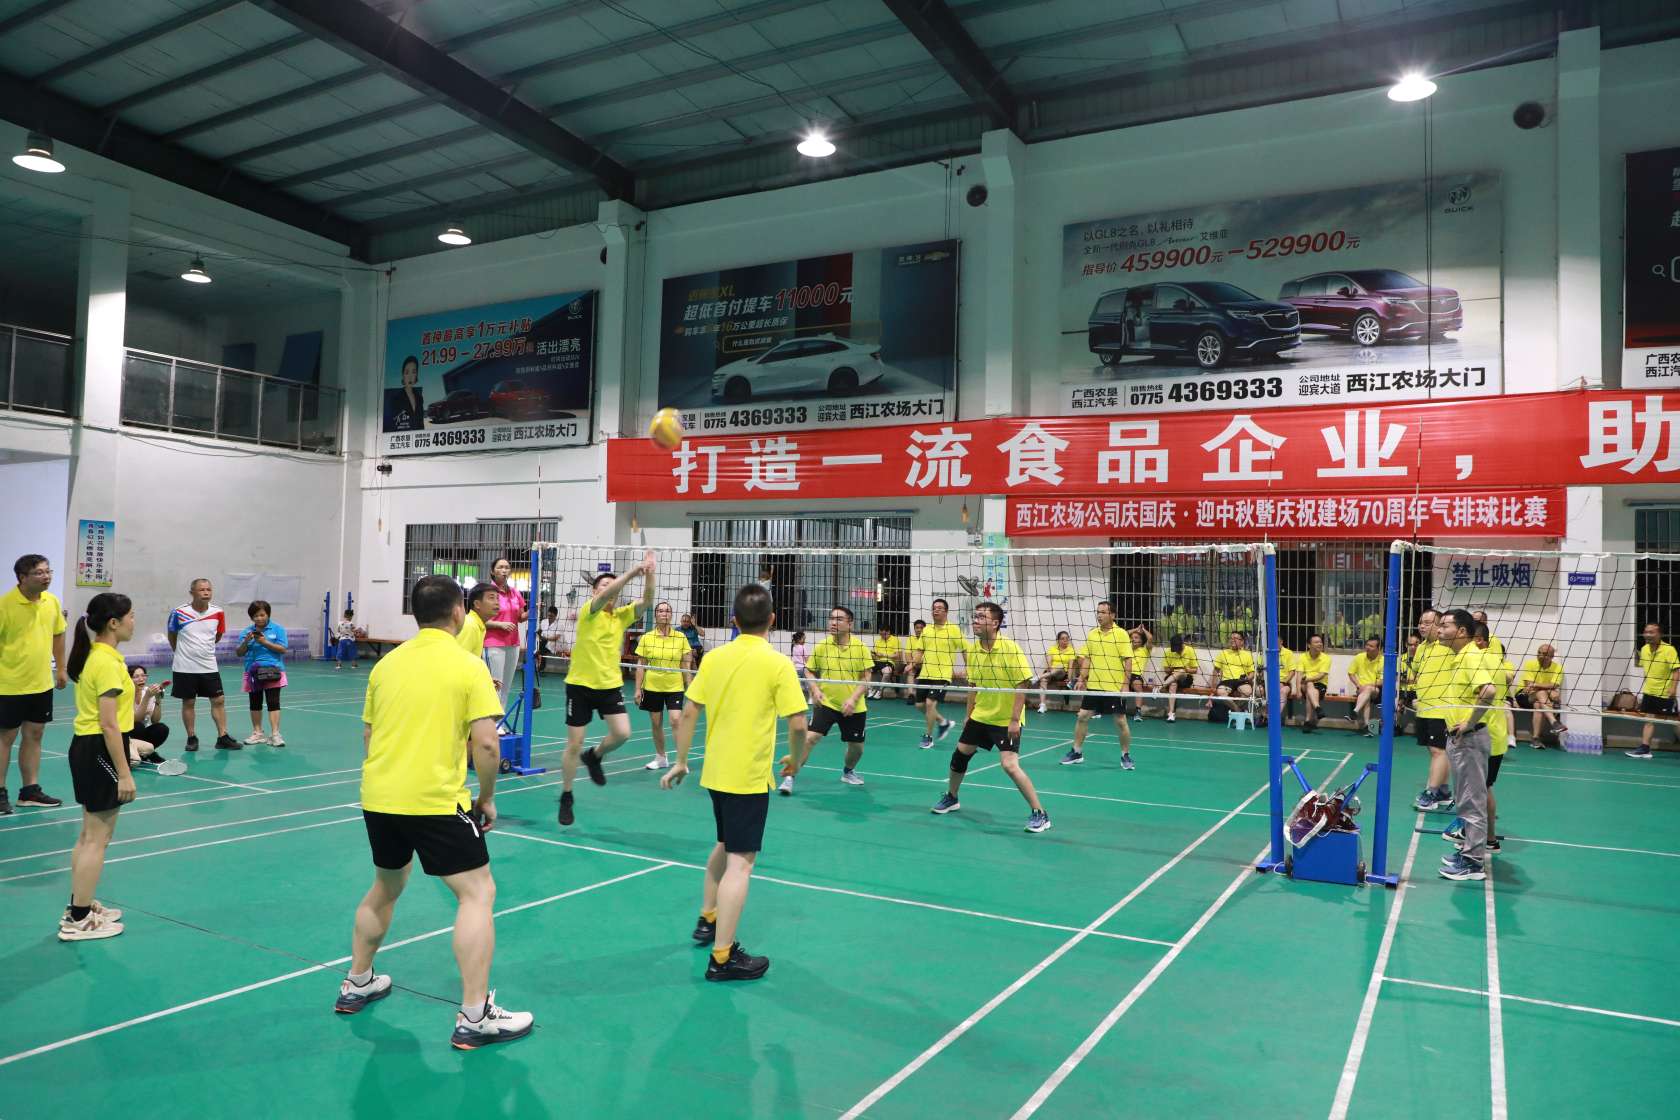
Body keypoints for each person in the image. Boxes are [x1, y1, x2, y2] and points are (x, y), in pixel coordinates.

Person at [336, 575, 532, 1048]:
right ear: (459, 611)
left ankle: (357, 982)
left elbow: (369, 734)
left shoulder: (386, 665)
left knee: (387, 884)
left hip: (379, 796)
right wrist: (487, 797)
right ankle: (475, 1016)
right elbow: (487, 744)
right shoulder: (468, 666)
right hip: (435, 800)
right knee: (477, 893)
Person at [660, 582, 807, 982]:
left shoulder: (714, 658)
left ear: (734, 620)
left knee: (725, 845)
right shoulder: (778, 664)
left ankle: (708, 918)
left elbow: (690, 710)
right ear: (772, 620)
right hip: (748, 776)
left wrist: (681, 761)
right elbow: (798, 723)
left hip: (716, 772)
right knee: (741, 863)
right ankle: (723, 957)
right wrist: (795, 760)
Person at [930, 602, 1050, 834]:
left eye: (981, 617)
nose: (975, 620)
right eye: (975, 616)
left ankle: (1040, 813)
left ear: (995, 623)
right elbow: (973, 685)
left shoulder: (1010, 649)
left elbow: (1022, 685)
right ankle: (952, 797)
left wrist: (1014, 720)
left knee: (1009, 765)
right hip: (981, 715)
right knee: (960, 755)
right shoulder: (974, 650)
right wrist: (968, 715)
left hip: (1005, 719)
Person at [59, 592, 138, 941]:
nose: (134, 621)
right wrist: (124, 772)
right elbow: (108, 724)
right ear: (114, 623)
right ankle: (78, 920)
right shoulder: (105, 662)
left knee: (89, 836)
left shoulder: (102, 656)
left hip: (89, 748)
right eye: (130, 616)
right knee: (97, 839)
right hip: (99, 749)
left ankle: (80, 905)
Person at [559, 551, 655, 827]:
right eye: (603, 585)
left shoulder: (621, 616)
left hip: (609, 685)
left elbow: (648, 600)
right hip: (579, 686)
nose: (609, 590)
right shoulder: (589, 611)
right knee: (574, 744)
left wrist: (649, 573)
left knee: (622, 733)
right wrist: (632, 572)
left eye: (612, 587)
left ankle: (595, 756)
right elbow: (607, 594)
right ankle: (567, 795)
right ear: (594, 592)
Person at [0, 554, 67, 814]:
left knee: (35, 735)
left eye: (48, 571)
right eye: (39, 573)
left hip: (41, 683)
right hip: (9, 685)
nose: (46, 577)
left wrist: (61, 668)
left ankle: (29, 791)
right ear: (22, 578)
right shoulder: (5, 605)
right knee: (5, 738)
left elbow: (58, 634)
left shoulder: (51, 601)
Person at [1436, 609, 1498, 882]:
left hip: (1469, 740)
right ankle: (1468, 852)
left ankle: (1473, 863)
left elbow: (1489, 691)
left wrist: (1469, 722)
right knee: (1466, 800)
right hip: (1460, 740)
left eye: (1444, 625)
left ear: (1461, 631)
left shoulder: (1470, 656)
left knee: (1472, 802)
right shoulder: (1459, 657)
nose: (1439, 630)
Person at [784, 605, 873, 793]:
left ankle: (848, 772)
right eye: (831, 618)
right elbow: (808, 670)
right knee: (810, 738)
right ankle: (790, 777)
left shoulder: (860, 648)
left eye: (839, 619)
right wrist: (815, 689)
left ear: (850, 624)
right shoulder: (822, 646)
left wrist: (853, 699)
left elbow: (866, 678)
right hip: (826, 703)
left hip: (854, 707)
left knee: (857, 748)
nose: (833, 622)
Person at [168, 578, 239, 753]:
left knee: (218, 700)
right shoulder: (179, 612)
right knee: (189, 702)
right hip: (184, 666)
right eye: (202, 590)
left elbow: (218, 635)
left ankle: (222, 737)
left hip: (208, 665)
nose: (206, 592)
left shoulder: (218, 612)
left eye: (209, 589)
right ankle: (192, 737)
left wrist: (204, 649)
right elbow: (172, 634)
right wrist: (180, 652)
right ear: (192, 592)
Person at [1063, 600, 1135, 769]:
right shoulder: (1092, 634)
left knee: (1120, 721)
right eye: (1098, 612)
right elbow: (1087, 659)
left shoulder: (1121, 634)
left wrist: (1126, 684)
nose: (1099, 615)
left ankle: (1125, 755)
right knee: (1082, 716)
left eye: (1103, 612)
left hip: (1114, 686)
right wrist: (1081, 679)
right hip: (1094, 685)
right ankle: (1077, 752)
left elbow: (1128, 660)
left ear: (1112, 615)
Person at [634, 601, 691, 772]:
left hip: (674, 686)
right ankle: (661, 758)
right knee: (656, 722)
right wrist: (638, 689)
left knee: (675, 720)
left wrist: (690, 685)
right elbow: (641, 665)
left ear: (671, 615)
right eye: (660, 611)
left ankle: (681, 761)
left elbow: (686, 664)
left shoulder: (680, 637)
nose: (664, 613)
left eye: (667, 611)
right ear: (656, 615)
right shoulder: (647, 638)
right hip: (652, 686)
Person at [1411, 609, 1457, 811]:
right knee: (1435, 751)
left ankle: (1431, 793)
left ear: (1439, 626)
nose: (1422, 625)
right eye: (1421, 622)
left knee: (1439, 751)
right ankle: (1444, 792)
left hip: (1441, 708)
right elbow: (1418, 673)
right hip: (1424, 708)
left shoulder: (1448, 645)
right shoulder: (1421, 647)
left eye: (1428, 622)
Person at [911, 601, 964, 748]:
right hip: (925, 674)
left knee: (930, 704)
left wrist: (969, 669)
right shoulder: (927, 630)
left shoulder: (953, 630)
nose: (936, 610)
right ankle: (943, 722)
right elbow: (920, 651)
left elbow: (965, 649)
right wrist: (912, 664)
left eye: (940, 608)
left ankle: (928, 737)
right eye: (934, 608)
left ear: (946, 611)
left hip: (942, 675)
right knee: (919, 705)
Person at [236, 601, 288, 748]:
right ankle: (258, 733)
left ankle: (275, 734)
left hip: (273, 670)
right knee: (255, 703)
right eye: (255, 616)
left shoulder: (278, 629)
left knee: (273, 702)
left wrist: (264, 642)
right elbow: (239, 653)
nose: (259, 618)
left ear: (268, 614)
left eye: (262, 615)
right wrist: (246, 642)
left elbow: (283, 649)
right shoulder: (246, 632)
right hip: (252, 672)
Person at [482, 558, 527, 715]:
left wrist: (534, 609)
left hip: (513, 644)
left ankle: (499, 720)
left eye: (507, 567)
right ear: (492, 571)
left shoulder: (515, 593)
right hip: (493, 644)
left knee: (506, 687)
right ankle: (490, 721)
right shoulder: (487, 592)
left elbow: (520, 617)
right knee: (495, 686)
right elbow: (480, 619)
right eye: (500, 567)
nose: (504, 570)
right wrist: (500, 625)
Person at [1627, 623, 1678, 759]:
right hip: (1649, 692)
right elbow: (1646, 670)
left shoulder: (1669, 649)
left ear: (1659, 634)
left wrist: (1673, 688)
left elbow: (1676, 670)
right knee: (1649, 720)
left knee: (1675, 723)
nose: (1648, 635)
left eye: (1651, 632)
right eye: (1646, 632)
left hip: (1665, 693)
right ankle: (1645, 748)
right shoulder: (1644, 649)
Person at [1515, 643, 1566, 748]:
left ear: (1552, 656)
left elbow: (1555, 684)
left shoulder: (1557, 668)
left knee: (1538, 704)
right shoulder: (1530, 664)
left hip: (1540, 700)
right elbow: (1529, 686)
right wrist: (1549, 691)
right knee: (1541, 693)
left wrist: (1537, 685)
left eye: (1544, 654)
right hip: (1524, 695)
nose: (1540, 656)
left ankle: (1535, 739)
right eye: (1539, 653)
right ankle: (1554, 722)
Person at [128, 666, 169, 765]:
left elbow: (155, 720)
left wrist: (158, 699)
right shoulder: (126, 694)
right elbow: (136, 719)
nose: (141, 679)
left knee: (162, 728)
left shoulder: (147, 691)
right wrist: (147, 697)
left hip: (140, 733)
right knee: (138, 726)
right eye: (136, 676)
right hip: (126, 735)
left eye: (143, 675)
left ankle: (145, 753)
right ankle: (150, 754)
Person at [1212, 630, 1257, 718]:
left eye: (1236, 638)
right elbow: (1216, 671)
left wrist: (1247, 679)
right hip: (1227, 681)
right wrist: (1213, 687)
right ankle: (1237, 710)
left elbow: (1252, 673)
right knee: (1220, 692)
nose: (1233, 640)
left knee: (1247, 692)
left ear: (1242, 642)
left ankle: (1234, 710)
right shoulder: (1223, 653)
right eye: (1231, 638)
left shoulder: (1247, 654)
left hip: (1241, 680)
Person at [1348, 636, 1386, 737]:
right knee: (1366, 697)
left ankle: (1355, 711)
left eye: (1371, 646)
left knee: (1368, 689)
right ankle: (1367, 727)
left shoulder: (1383, 660)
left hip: (1378, 690)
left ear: (1378, 648)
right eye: (1367, 645)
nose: (1367, 647)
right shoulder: (1359, 657)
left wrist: (1368, 685)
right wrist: (1358, 685)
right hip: (1361, 690)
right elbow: (1351, 673)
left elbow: (1383, 681)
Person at [1296, 633, 1332, 732]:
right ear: (1309, 645)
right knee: (1309, 685)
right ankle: (1317, 708)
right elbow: (1299, 675)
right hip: (1304, 684)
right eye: (1316, 642)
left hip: (1320, 684)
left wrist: (1307, 679)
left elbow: (1321, 675)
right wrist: (1298, 690)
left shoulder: (1326, 658)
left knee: (1310, 691)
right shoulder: (1302, 657)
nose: (1320, 644)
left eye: (1320, 642)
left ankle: (1308, 721)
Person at [1035, 631, 1077, 714]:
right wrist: (1050, 669)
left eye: (1067, 638)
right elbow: (1049, 663)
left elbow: (1070, 666)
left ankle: (1038, 677)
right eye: (1062, 638)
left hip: (1062, 673)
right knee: (1043, 681)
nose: (1065, 640)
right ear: (1058, 640)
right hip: (1051, 671)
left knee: (1060, 666)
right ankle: (1043, 705)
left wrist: (1069, 678)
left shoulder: (1071, 650)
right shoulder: (1052, 649)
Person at [1160, 634, 1198, 722]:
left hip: (1186, 678)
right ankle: (1171, 713)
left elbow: (1195, 670)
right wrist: (1172, 669)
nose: (1176, 651)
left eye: (1178, 649)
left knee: (1181, 671)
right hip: (1172, 677)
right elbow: (1166, 670)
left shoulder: (1190, 650)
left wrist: (1187, 670)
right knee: (1173, 684)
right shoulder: (1168, 652)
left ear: (1182, 644)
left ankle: (1161, 687)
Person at [383, 354, 425, 432]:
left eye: (413, 372)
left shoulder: (419, 398)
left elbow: (421, 424)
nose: (410, 377)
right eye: (407, 372)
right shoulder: (396, 399)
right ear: (403, 375)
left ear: (416, 374)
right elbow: (394, 425)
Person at [457, 583, 497, 661]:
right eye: (491, 598)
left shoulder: (478, 624)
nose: (497, 602)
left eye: (497, 598)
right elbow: (459, 658)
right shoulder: (470, 625)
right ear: (477, 604)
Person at [868, 624, 902, 700]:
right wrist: (873, 655)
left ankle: (879, 691)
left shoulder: (895, 640)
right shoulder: (878, 641)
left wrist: (883, 655)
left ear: (889, 632)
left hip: (888, 662)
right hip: (877, 661)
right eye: (881, 634)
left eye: (884, 634)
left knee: (887, 672)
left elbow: (898, 656)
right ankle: (870, 690)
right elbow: (875, 655)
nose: (882, 636)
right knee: (866, 669)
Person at [1127, 624, 1153, 719]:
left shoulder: (1145, 650)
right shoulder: (1127, 648)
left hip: (1136, 675)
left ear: (1141, 641)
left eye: (1136, 638)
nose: (1133, 639)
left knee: (1137, 685)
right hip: (1124, 674)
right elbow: (1125, 634)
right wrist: (1136, 629)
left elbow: (1150, 638)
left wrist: (1143, 629)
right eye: (1132, 638)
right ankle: (1120, 710)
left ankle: (1138, 711)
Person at [1398, 633, 1422, 734]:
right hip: (1403, 689)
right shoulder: (1400, 659)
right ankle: (1397, 727)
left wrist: (1407, 680)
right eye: (1410, 644)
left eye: (1416, 644)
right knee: (1397, 705)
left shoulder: (1424, 659)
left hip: (1418, 690)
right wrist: (1409, 680)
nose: (1413, 647)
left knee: (1417, 705)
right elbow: (1396, 677)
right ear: (1405, 645)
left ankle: (1420, 730)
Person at [903, 619, 926, 707]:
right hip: (914, 664)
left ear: (924, 629)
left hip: (925, 665)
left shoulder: (928, 639)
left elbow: (926, 656)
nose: (919, 630)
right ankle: (911, 695)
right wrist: (911, 665)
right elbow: (907, 654)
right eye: (917, 628)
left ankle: (924, 697)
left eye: (921, 628)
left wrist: (915, 663)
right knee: (910, 671)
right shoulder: (910, 639)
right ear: (914, 629)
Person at [538, 607, 565, 673]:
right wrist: (539, 636)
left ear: (555, 616)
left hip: (554, 644)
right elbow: (539, 631)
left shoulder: (560, 625)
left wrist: (545, 638)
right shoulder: (544, 622)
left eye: (551, 616)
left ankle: (540, 668)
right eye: (548, 615)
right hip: (543, 642)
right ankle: (540, 668)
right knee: (540, 646)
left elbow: (556, 638)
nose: (549, 617)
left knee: (541, 648)